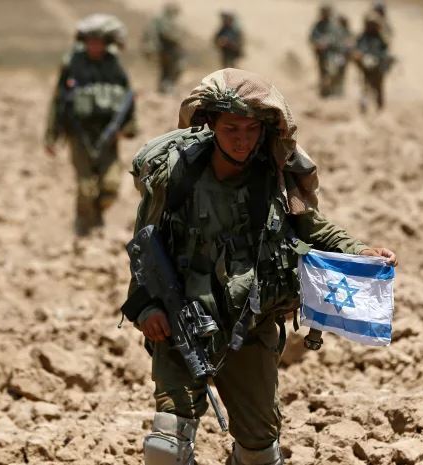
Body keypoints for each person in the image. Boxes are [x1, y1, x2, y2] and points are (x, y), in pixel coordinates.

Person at [125, 68, 397, 465]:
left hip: (249, 328)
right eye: (231, 128)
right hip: (182, 318)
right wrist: (145, 307)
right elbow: (145, 245)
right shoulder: (178, 176)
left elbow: (315, 229)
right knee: (166, 445)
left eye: (250, 131)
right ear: (211, 125)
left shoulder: (273, 179)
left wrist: (362, 252)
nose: (241, 139)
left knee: (259, 453)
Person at [44, 14, 137, 236]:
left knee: (111, 186)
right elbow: (59, 101)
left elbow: (127, 98)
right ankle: (84, 227)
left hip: (108, 133)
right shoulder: (72, 65)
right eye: (90, 41)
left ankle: (97, 216)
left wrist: (126, 129)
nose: (95, 46)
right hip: (79, 133)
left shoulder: (114, 66)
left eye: (99, 41)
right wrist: (52, 135)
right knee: (86, 188)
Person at [351, 10, 395, 112]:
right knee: (365, 87)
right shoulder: (362, 37)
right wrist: (360, 56)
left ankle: (380, 108)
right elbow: (357, 50)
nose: (371, 26)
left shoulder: (381, 38)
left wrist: (381, 59)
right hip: (366, 68)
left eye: (373, 24)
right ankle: (364, 108)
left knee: (378, 88)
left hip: (378, 68)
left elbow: (385, 51)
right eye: (370, 24)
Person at [143, 3, 185, 93]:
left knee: (166, 69)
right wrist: (176, 39)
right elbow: (166, 33)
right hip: (167, 49)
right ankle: (166, 87)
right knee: (172, 68)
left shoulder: (163, 19)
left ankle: (164, 87)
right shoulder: (163, 19)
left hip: (166, 49)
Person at [308, 3, 348, 98]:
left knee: (335, 73)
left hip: (335, 54)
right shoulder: (318, 26)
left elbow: (340, 39)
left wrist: (330, 43)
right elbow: (312, 38)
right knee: (323, 74)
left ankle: (336, 92)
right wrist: (318, 44)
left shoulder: (335, 26)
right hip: (322, 55)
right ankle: (325, 93)